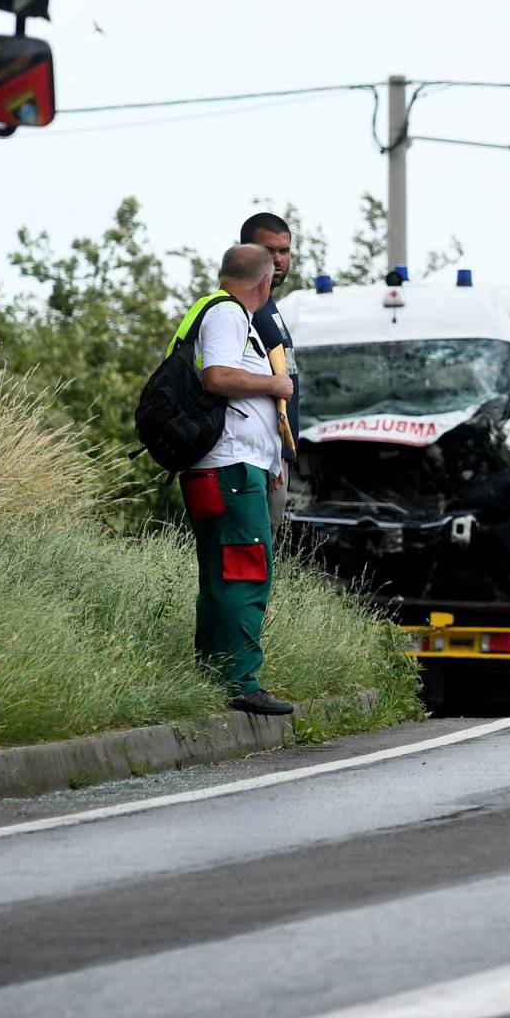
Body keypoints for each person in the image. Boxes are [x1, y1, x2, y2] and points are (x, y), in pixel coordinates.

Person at [172, 245, 296, 716]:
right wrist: (275, 385)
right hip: (230, 471)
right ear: (264, 284)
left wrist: (271, 455)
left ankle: (211, 674)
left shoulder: (214, 312)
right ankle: (241, 681)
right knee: (245, 572)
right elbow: (217, 376)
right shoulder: (228, 315)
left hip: (225, 468)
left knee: (221, 577)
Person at [241, 212, 298, 536]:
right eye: (268, 250)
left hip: (275, 456)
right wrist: (270, 454)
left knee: (262, 554)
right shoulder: (240, 307)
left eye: (284, 251)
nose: (278, 259)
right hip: (256, 457)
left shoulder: (267, 305)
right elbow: (221, 378)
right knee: (250, 553)